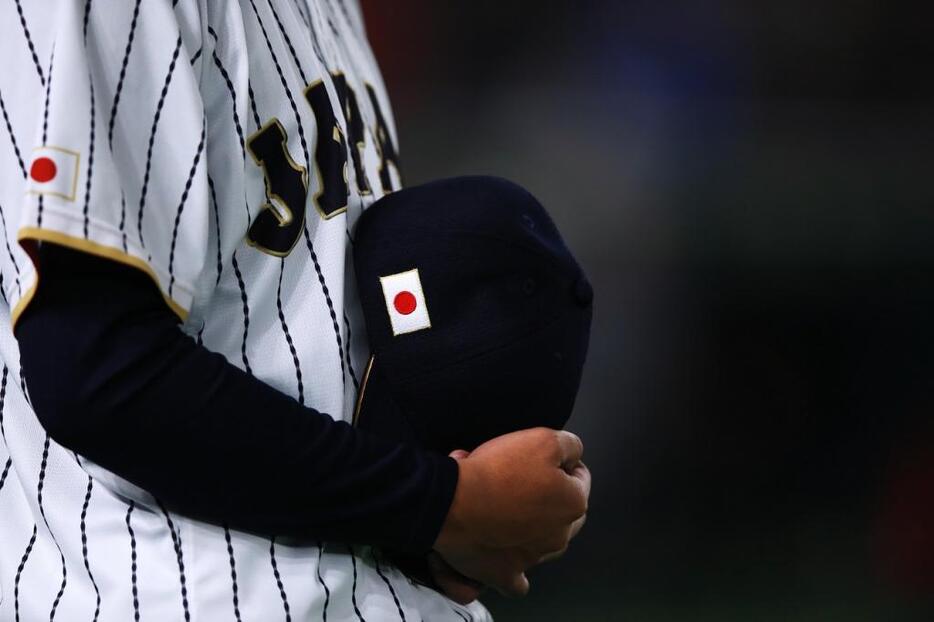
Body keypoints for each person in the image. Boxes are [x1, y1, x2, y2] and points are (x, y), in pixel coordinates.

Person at [0, 2, 590, 621]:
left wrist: (459, 515)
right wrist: (443, 504)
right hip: (180, 593)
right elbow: (94, 372)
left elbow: (308, 334)